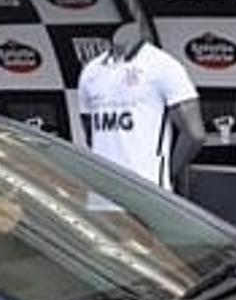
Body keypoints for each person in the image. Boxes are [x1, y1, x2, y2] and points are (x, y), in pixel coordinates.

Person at [76, 23, 203, 191]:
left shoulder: (163, 65)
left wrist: (167, 174)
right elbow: (91, 131)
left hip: (146, 191)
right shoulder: (92, 70)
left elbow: (195, 135)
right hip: (102, 191)